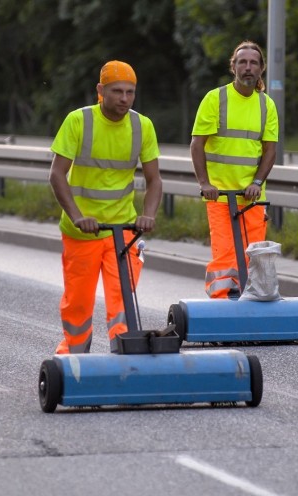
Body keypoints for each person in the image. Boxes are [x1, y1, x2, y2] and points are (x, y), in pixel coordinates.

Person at [48, 60, 163, 354]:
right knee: (78, 301)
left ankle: (124, 356)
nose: (124, 99)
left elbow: (154, 180)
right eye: (117, 92)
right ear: (100, 90)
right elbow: (57, 174)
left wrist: (148, 214)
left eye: (130, 92)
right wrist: (76, 217)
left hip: (122, 231)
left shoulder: (142, 125)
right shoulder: (79, 121)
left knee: (122, 299)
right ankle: (73, 358)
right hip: (82, 231)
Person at [190, 40, 279, 299]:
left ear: (261, 68)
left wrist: (258, 182)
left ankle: (255, 300)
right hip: (219, 196)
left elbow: (269, 150)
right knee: (226, 253)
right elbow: (197, 144)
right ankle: (222, 303)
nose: (248, 67)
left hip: (252, 197)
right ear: (233, 66)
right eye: (242, 62)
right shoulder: (215, 99)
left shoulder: (266, 105)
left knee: (255, 255)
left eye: (253, 63)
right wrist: (205, 183)